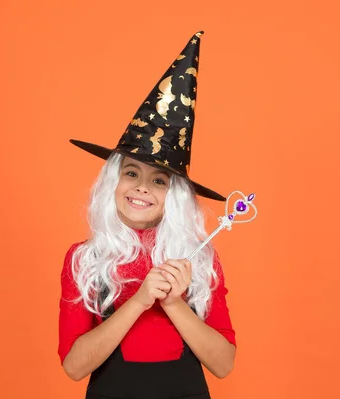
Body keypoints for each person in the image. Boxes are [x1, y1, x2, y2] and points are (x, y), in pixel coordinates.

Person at [59, 31, 236, 399]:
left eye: (159, 180)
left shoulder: (199, 259)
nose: (142, 188)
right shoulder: (84, 260)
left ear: (175, 196)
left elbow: (223, 364)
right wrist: (139, 300)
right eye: (131, 173)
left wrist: (173, 302)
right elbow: (75, 367)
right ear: (114, 181)